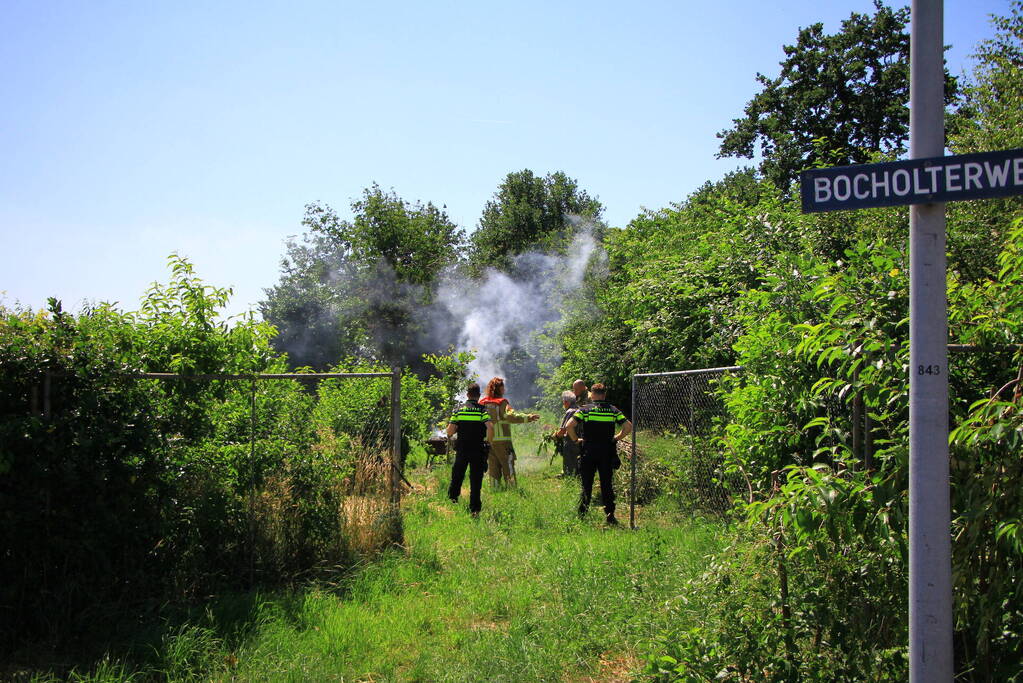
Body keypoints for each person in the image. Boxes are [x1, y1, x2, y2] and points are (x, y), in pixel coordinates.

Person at [567, 382, 632, 526]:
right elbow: (628, 427)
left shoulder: (585, 410)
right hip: (606, 452)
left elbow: (569, 426)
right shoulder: (613, 410)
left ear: (592, 394)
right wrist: (616, 437)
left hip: (588, 451)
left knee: (586, 484)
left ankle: (582, 514)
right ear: (605, 394)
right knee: (606, 485)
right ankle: (610, 516)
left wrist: (576, 440)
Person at [479, 377, 539, 487]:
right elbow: (511, 416)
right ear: (499, 389)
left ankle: (495, 489)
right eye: (503, 387)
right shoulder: (501, 403)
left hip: (487, 440)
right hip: (502, 441)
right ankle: (512, 489)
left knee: (493, 466)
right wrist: (528, 417)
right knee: (508, 464)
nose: (504, 389)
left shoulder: (482, 403)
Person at [446, 382, 494, 516]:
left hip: (462, 448)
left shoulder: (458, 410)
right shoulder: (482, 410)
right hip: (478, 449)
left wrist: (452, 430)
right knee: (476, 479)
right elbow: (490, 427)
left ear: (467, 395)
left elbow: (450, 431)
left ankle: (453, 501)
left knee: (457, 475)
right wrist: (488, 442)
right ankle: (475, 509)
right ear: (478, 396)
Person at [554, 390, 581, 476]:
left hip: (571, 441)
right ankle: (576, 474)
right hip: (581, 440)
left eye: (563, 402)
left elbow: (563, 430)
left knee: (569, 460)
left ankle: (569, 476)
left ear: (566, 402)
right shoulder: (579, 409)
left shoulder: (570, 411)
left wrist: (555, 436)